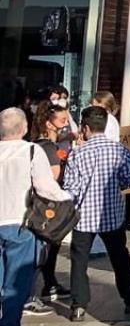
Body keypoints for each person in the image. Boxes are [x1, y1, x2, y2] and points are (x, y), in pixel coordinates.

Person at [62, 107, 130, 321]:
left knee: (79, 261)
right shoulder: (121, 151)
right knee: (120, 258)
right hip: (113, 215)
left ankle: (78, 305)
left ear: (85, 128)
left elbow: (71, 187)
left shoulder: (78, 153)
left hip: (83, 217)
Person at [0, 107, 72, 326]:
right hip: (20, 224)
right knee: (16, 284)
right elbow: (45, 187)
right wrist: (68, 198)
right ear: (23, 128)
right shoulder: (32, 151)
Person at [23, 105, 70, 315]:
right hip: (47, 207)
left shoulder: (35, 145)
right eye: (62, 121)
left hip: (34, 207)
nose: (66, 124)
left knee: (46, 249)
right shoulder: (48, 149)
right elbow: (52, 179)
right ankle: (33, 294)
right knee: (44, 250)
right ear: (48, 124)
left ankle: (48, 284)